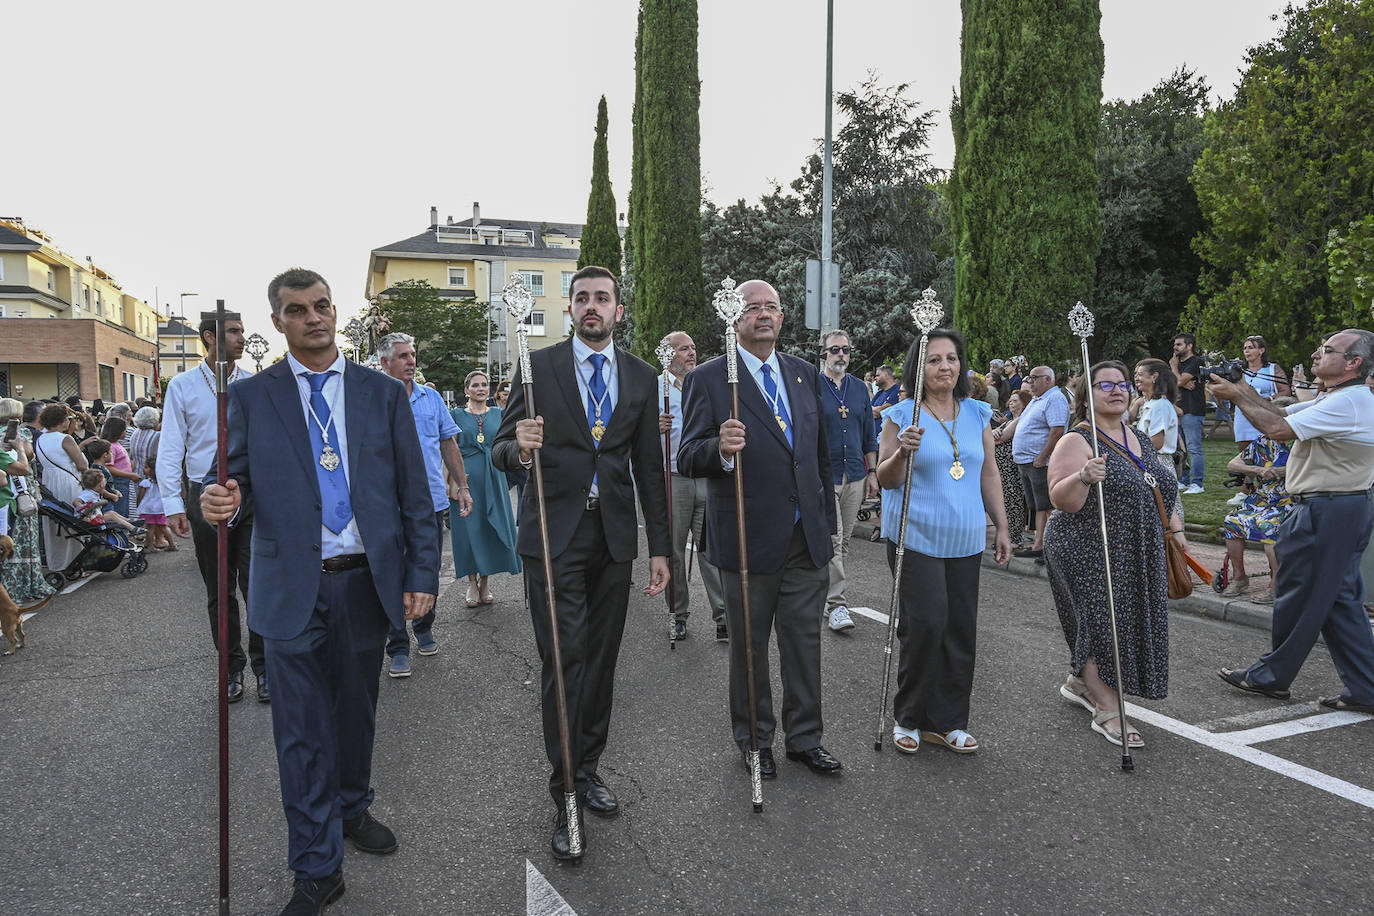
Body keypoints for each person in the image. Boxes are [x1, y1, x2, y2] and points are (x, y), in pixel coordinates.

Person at [200, 268, 439, 914]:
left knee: (356, 716)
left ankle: (352, 808)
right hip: (288, 589)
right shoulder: (251, 398)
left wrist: (422, 577)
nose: (315, 317)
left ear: (336, 311)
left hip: (366, 583)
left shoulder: (381, 393)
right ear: (277, 322)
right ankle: (316, 865)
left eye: (323, 305)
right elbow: (232, 481)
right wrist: (221, 499)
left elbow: (413, 494)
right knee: (301, 733)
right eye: (298, 309)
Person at [490, 264, 670, 861]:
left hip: (613, 538)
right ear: (568, 309)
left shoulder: (642, 378)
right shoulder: (538, 369)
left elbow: (648, 469)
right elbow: (499, 450)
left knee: (599, 661)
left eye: (603, 298)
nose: (592, 306)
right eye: (582, 298)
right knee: (564, 660)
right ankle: (564, 792)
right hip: (552, 535)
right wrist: (519, 447)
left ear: (619, 309)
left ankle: (587, 768)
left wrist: (661, 549)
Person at [678, 278, 843, 781]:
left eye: (772, 306)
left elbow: (817, 456)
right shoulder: (710, 379)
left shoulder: (802, 375)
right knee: (749, 648)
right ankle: (755, 740)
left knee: (803, 643)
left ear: (783, 318)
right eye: (753, 308)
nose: (764, 315)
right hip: (747, 537)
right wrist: (719, 450)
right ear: (736, 320)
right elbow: (688, 456)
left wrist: (826, 523)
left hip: (803, 536)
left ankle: (806, 738)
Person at [1213, 329, 1374, 712]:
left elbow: (1276, 429)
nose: (1318, 354)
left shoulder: (1350, 402)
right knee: (1340, 602)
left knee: (1298, 593)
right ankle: (1366, 689)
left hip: (1328, 509)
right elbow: (1281, 413)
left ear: (1354, 363)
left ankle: (1271, 677)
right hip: (1339, 507)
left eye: (1328, 350)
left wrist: (1236, 395)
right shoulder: (1342, 398)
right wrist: (1240, 386)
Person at [876, 328, 1011, 754]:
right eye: (934, 359)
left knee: (958, 629)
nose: (945, 367)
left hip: (966, 538)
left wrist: (1002, 526)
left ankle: (949, 720)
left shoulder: (976, 414)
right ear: (919, 367)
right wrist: (901, 451)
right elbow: (885, 478)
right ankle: (910, 716)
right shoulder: (901, 415)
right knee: (926, 624)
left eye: (952, 358)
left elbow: (988, 472)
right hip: (914, 536)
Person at [1044, 362, 1181, 749]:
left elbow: (1158, 488)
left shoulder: (1137, 435)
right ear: (1087, 397)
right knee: (1098, 622)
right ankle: (1108, 707)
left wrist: (1177, 535)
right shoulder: (1077, 440)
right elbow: (1060, 498)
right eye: (1105, 385)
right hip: (1084, 546)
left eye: (1122, 384)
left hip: (1136, 547)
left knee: (1123, 622)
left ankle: (1080, 680)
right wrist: (1084, 477)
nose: (1117, 390)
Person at [158, 313, 264, 703]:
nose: (241, 337)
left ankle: (265, 669)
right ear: (209, 337)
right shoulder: (184, 386)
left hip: (250, 493)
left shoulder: (254, 382)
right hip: (204, 494)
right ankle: (231, 669)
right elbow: (171, 446)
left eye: (241, 330)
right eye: (233, 331)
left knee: (258, 586)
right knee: (220, 590)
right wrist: (173, 504)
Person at [377, 332, 472, 678]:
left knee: (426, 570)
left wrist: (462, 486)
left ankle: (424, 626)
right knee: (392, 574)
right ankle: (398, 644)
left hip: (430, 502)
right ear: (385, 363)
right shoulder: (373, 400)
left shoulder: (431, 399)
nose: (411, 361)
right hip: (386, 506)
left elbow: (449, 446)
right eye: (402, 356)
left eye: (412, 354)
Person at [657, 331, 728, 640]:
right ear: (668, 354)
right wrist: (651, 426)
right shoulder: (655, 389)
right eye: (684, 348)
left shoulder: (703, 382)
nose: (691, 352)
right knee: (672, 550)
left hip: (706, 475)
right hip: (673, 478)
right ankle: (678, 613)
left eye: (693, 347)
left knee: (711, 549)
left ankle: (723, 614)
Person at [817, 328, 876, 633]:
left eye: (846, 350)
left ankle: (825, 594)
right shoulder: (813, 385)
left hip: (855, 472)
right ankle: (837, 605)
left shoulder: (859, 388)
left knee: (845, 542)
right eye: (835, 350)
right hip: (824, 476)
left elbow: (868, 433)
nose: (841, 355)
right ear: (823, 354)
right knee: (834, 540)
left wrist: (873, 471)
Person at [448, 369, 521, 606]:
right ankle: (471, 583)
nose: (481, 389)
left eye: (484, 384)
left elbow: (508, 444)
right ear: (466, 389)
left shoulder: (500, 414)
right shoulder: (456, 415)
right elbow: (449, 450)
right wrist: (452, 483)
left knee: (489, 529)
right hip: (466, 479)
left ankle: (486, 583)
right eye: (476, 385)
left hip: (494, 477)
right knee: (469, 531)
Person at [1220, 418, 1295, 604]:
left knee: (1269, 527)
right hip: (1263, 498)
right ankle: (1239, 578)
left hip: (1290, 498)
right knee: (1233, 521)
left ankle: (1276, 586)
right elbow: (1232, 465)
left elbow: (1311, 467)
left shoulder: (1301, 442)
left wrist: (1282, 471)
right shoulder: (1263, 441)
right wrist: (1258, 470)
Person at [1008, 366, 1068, 559]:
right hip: (1028, 461)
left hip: (1041, 462)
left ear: (1048, 380)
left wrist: (1042, 456)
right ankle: (1039, 544)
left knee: (1048, 506)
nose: (1031, 382)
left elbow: (1057, 430)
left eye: (1034, 378)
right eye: (1030, 378)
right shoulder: (1037, 399)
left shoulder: (1055, 398)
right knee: (1038, 506)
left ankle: (1054, 547)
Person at [0, 401, 53, 602]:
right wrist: (20, 448)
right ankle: (22, 586)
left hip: (6, 493)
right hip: (19, 494)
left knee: (5, 544)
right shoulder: (21, 435)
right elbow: (27, 462)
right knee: (21, 542)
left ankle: (6, 590)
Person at [32, 403, 90, 576]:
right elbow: (82, 465)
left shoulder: (40, 438)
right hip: (68, 482)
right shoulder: (66, 439)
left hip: (50, 482)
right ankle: (76, 563)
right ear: (62, 420)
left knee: (56, 524)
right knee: (74, 522)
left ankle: (57, 562)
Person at [1130, 358, 1182, 522]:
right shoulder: (1150, 404)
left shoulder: (1159, 406)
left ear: (1154, 377)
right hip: (1150, 461)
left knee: (1165, 512)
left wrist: (1130, 445)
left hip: (1158, 464)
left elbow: (1156, 442)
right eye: (1135, 375)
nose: (1136, 378)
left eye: (1140, 375)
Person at [990, 389, 1030, 543]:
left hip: (1009, 467)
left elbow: (1001, 438)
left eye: (1015, 400)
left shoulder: (1020, 419)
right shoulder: (1008, 421)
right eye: (1010, 400)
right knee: (1004, 500)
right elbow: (993, 435)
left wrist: (994, 434)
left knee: (1012, 500)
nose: (1011, 403)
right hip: (1000, 466)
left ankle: (1013, 537)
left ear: (1024, 403)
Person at [1171, 332, 1208, 494]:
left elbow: (1177, 381)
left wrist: (1174, 370)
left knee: (1194, 448)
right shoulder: (1178, 363)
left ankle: (1197, 483)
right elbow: (1170, 383)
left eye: (1179, 344)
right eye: (1175, 344)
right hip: (1177, 409)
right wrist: (1181, 382)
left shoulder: (1196, 362)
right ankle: (1183, 480)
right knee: (1181, 448)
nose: (1175, 347)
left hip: (1193, 409)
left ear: (1189, 346)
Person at [136, 456, 175, 551]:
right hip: (161, 508)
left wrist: (138, 504)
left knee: (150, 528)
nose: (144, 469)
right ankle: (172, 545)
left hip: (148, 509)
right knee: (164, 527)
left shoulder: (145, 482)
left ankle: (150, 546)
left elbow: (141, 495)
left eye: (146, 467)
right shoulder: (163, 482)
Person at [871, 363, 901, 443]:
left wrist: (876, 410)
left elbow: (880, 412)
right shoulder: (879, 393)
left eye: (878, 375)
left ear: (886, 376)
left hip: (886, 442)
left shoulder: (897, 391)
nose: (875, 378)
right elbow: (866, 410)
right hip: (872, 441)